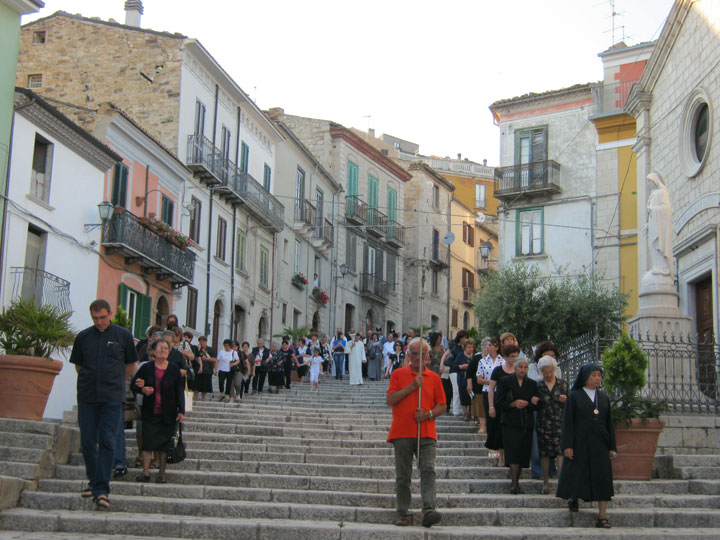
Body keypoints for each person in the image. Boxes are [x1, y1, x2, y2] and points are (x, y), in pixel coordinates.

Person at [69, 299, 138, 511]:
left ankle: (101, 490)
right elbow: (79, 366)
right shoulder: (83, 337)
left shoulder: (123, 335)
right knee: (89, 442)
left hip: (111, 397)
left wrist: (116, 382)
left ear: (110, 313)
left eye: (102, 317)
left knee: (107, 440)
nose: (99, 322)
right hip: (88, 396)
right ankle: (94, 481)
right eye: (95, 318)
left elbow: (131, 365)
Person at [386, 337, 446, 528]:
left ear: (428, 356)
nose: (418, 357)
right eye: (414, 353)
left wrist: (428, 414)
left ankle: (429, 510)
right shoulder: (398, 374)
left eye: (422, 354)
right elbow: (390, 399)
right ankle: (403, 513)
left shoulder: (434, 378)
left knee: (428, 470)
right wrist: (413, 387)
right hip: (402, 432)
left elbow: (442, 405)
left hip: (426, 433)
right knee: (403, 475)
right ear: (408, 355)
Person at [556, 363, 617, 529]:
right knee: (577, 473)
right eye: (594, 375)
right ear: (585, 377)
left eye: (599, 375)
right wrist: (567, 445)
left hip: (600, 444)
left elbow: (609, 423)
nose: (597, 378)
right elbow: (568, 422)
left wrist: (612, 446)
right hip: (580, 442)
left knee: (603, 477)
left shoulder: (603, 397)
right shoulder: (574, 396)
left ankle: (602, 516)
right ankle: (573, 498)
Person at [131, 339, 185, 484]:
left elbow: (180, 390)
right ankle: (146, 472)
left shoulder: (173, 369)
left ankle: (162, 474)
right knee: (147, 443)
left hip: (168, 412)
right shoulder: (146, 368)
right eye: (160, 348)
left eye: (165, 348)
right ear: (153, 351)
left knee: (163, 445)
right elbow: (134, 384)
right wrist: (142, 389)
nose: (163, 350)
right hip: (150, 410)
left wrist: (182, 410)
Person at [497, 356, 540, 494]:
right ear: (515, 368)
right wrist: (513, 404)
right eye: (520, 367)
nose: (523, 370)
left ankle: (517, 480)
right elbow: (499, 402)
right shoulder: (505, 381)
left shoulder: (532, 384)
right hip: (510, 421)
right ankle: (514, 483)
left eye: (525, 367)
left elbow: (537, 405)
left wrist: (530, 403)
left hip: (526, 422)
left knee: (522, 452)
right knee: (513, 452)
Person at [535, 355, 568, 494]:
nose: (548, 375)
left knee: (560, 452)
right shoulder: (538, 385)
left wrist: (566, 400)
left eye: (550, 372)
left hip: (560, 422)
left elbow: (571, 403)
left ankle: (561, 483)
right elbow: (534, 404)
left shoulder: (563, 384)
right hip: (544, 423)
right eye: (545, 372)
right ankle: (546, 483)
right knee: (545, 454)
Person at [486, 343, 519, 467]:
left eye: (516, 356)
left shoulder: (519, 370)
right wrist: (491, 406)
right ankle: (502, 458)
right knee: (500, 432)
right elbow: (491, 389)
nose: (514, 359)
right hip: (501, 404)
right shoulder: (498, 370)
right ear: (505, 357)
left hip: (515, 406)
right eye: (512, 356)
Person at [476, 336, 502, 436]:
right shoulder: (482, 361)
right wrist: (491, 382)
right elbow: (479, 379)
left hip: (499, 391)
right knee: (489, 414)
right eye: (487, 345)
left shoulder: (502, 361)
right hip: (487, 390)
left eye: (490, 345)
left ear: (496, 347)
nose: (488, 347)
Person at [441, 330, 468, 416]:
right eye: (463, 337)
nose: (464, 339)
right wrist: (442, 364)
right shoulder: (454, 346)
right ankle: (456, 410)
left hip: (464, 370)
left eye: (465, 337)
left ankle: (462, 409)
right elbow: (445, 355)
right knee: (456, 389)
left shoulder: (466, 347)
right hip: (454, 369)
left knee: (462, 389)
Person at [454, 339, 474, 421]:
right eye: (469, 347)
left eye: (472, 347)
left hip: (472, 379)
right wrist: (461, 367)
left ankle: (470, 413)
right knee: (463, 396)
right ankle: (466, 414)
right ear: (465, 348)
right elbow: (454, 366)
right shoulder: (460, 355)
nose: (470, 349)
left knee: (472, 397)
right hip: (462, 378)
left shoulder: (474, 356)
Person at [192, 336, 215, 402]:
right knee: (196, 384)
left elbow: (214, 359)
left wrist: (207, 359)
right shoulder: (197, 349)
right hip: (197, 369)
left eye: (203, 342)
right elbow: (195, 357)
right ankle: (195, 398)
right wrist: (198, 350)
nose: (202, 343)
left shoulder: (210, 349)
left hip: (207, 369)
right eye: (200, 342)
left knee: (205, 385)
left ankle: (203, 399)